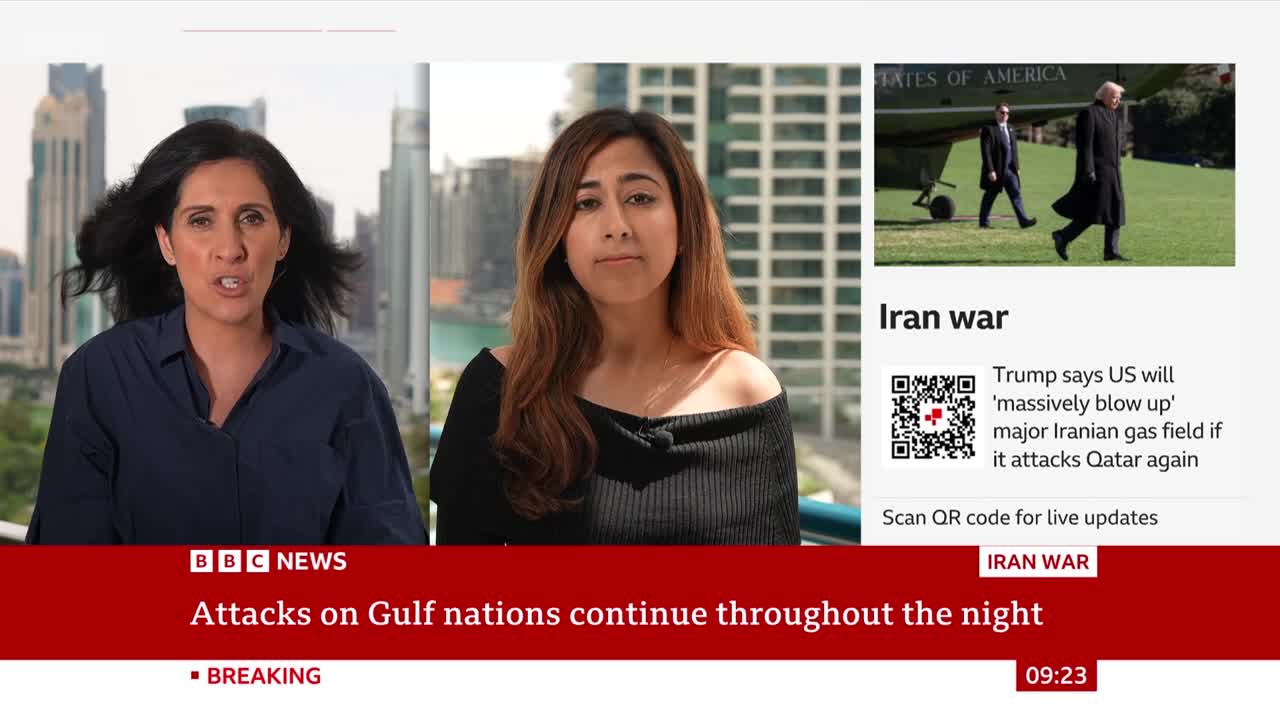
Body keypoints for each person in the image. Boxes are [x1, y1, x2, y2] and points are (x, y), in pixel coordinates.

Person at [27, 120, 426, 545]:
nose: (230, 248)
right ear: (167, 243)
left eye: (251, 218)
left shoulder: (347, 386)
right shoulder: (99, 377)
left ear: (283, 239)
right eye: (201, 221)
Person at [430, 108, 800, 545]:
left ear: (685, 226)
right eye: (586, 203)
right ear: (558, 239)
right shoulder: (499, 391)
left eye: (640, 198)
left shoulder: (749, 391)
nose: (616, 227)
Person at [1051, 81, 1129, 261]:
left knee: (1116, 211)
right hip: (1097, 173)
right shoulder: (1089, 113)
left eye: (1119, 98)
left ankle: (1111, 251)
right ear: (1104, 96)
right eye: (1115, 97)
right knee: (1092, 212)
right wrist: (1088, 171)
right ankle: (1063, 236)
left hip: (1114, 172)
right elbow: (1085, 146)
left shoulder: (1113, 116)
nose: (1117, 101)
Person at [978, 102, 1037, 229]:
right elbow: (986, 152)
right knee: (990, 196)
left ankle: (1023, 221)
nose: (1005, 115)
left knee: (1016, 194)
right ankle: (983, 223)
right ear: (996, 113)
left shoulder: (1011, 128)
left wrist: (1017, 167)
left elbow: (1013, 150)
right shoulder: (989, 129)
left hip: (1010, 170)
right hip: (996, 170)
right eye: (1002, 112)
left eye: (1007, 113)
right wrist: (990, 170)